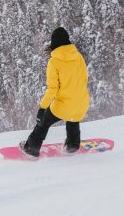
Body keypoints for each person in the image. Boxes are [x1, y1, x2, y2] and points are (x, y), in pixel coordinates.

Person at [20, 27, 90, 158]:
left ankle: (31, 148)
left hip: (63, 105)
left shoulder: (54, 61)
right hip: (81, 103)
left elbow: (52, 89)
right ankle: (72, 145)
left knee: (44, 122)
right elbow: (85, 79)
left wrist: (42, 108)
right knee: (73, 118)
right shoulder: (78, 56)